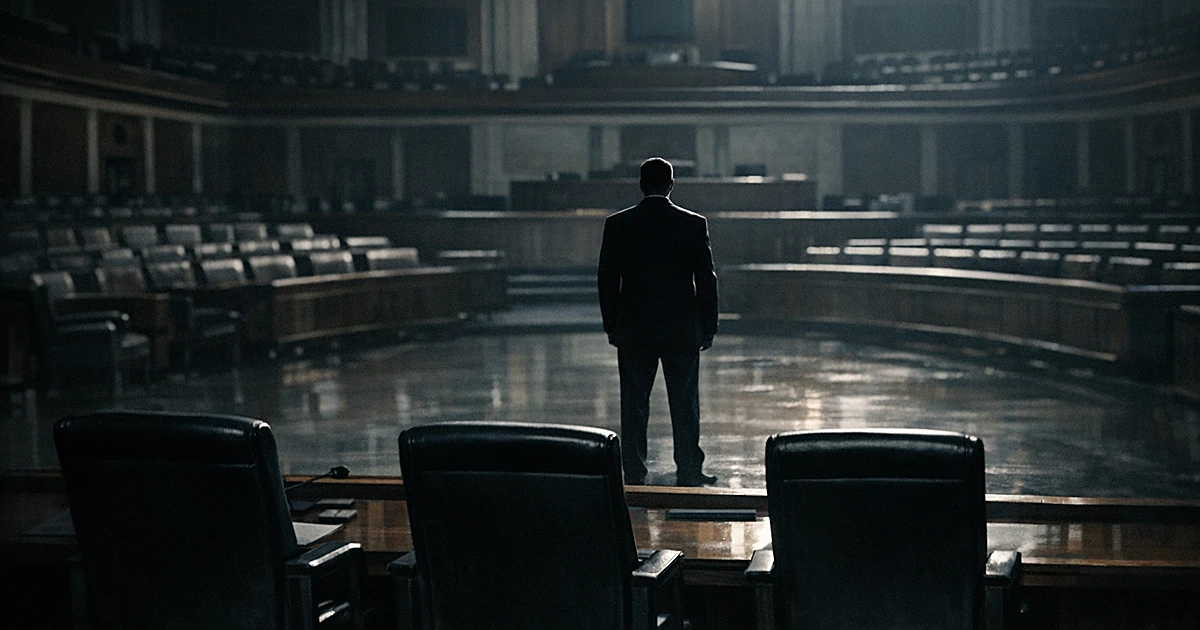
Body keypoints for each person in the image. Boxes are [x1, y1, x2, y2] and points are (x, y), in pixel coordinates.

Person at [597, 157, 719, 487]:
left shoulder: (618, 224)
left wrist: (612, 325)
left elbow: (607, 279)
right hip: (681, 328)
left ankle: (634, 470)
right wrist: (708, 326)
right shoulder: (693, 223)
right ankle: (689, 467)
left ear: (640, 184)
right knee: (685, 402)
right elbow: (706, 279)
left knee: (634, 402)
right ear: (671, 184)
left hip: (635, 328)